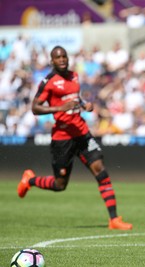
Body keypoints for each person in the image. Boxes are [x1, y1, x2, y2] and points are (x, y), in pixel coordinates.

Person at [16, 46, 132, 230]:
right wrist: (58, 108)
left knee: (101, 172)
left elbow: (75, 98)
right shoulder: (48, 82)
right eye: (58, 57)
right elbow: (35, 108)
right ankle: (29, 180)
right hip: (62, 138)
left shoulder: (74, 76)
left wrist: (85, 105)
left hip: (82, 133)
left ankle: (114, 219)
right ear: (52, 61)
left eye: (64, 56)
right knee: (60, 184)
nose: (62, 59)